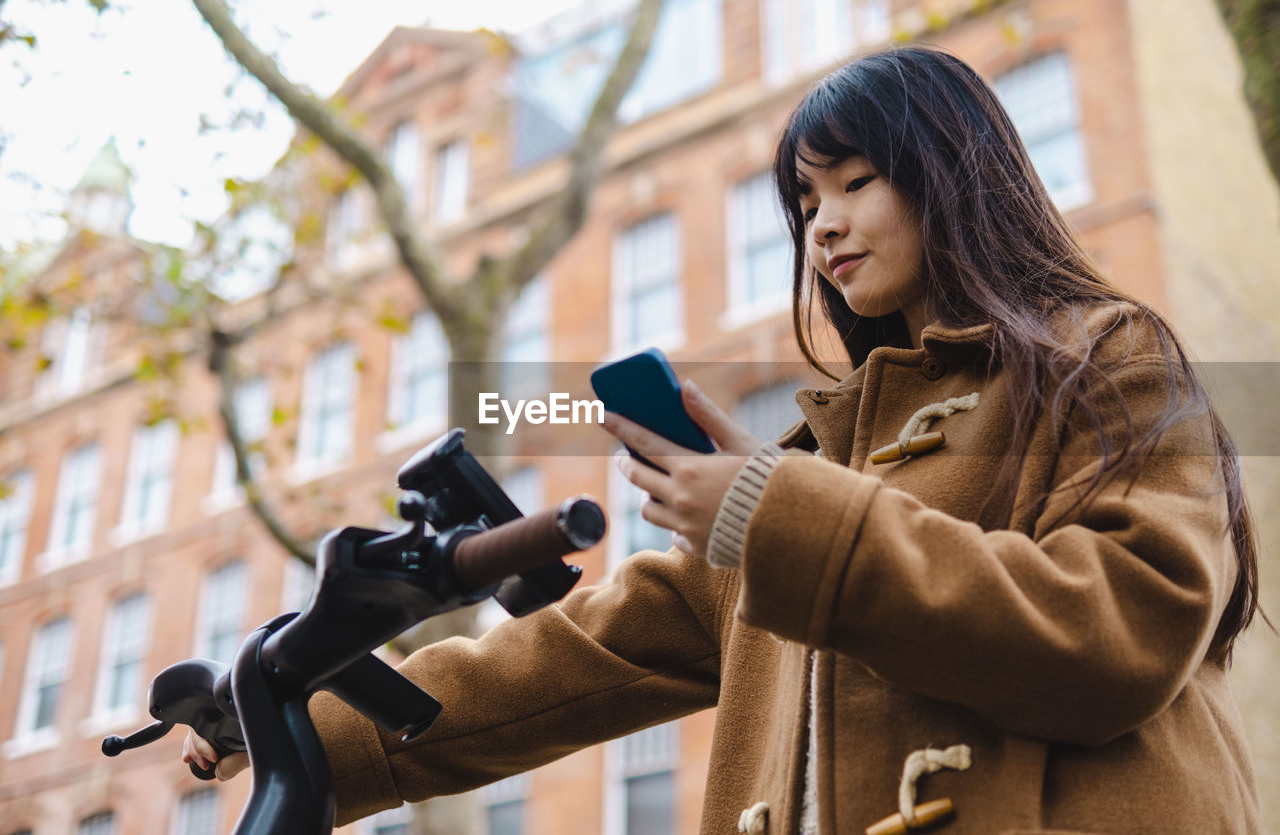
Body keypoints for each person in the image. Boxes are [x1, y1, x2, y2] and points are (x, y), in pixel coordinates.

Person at [185, 46, 1263, 834]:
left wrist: (768, 508)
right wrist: (284, 714)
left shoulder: (1107, 354)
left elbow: (1123, 622)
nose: (822, 225)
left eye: (854, 182)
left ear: (955, 173)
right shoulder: (814, 459)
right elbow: (576, 656)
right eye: (804, 200)